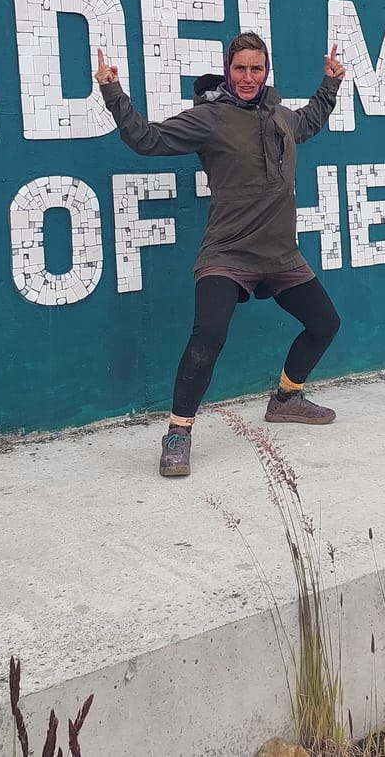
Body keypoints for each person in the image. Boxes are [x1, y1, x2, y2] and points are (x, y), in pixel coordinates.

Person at [94, 32, 346, 477]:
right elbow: (147, 139)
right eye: (240, 68)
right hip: (227, 252)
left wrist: (330, 84)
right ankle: (178, 433)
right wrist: (113, 91)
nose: (248, 77)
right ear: (228, 70)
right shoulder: (209, 118)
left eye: (256, 68)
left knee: (325, 323)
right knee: (208, 335)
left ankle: (287, 398)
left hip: (280, 254)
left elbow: (308, 122)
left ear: (266, 71)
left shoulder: (281, 116)